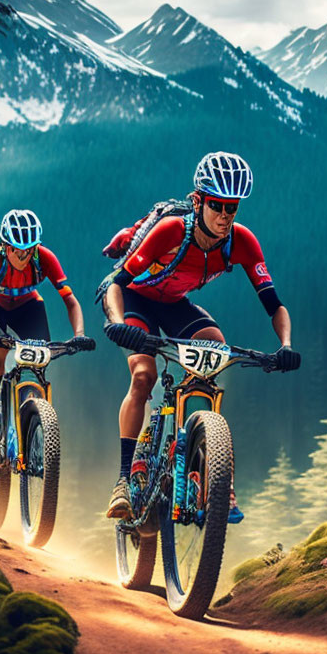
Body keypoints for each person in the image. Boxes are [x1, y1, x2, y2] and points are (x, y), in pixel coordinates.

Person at [100, 152, 301, 520]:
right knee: (143, 376)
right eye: (217, 205)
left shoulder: (241, 242)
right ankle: (124, 478)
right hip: (134, 301)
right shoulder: (171, 232)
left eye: (232, 208)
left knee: (215, 353)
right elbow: (117, 283)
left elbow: (274, 304)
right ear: (198, 201)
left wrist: (285, 346)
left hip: (175, 303)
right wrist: (116, 322)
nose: (225, 215)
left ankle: (211, 476)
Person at [0, 210, 91, 472]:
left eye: (29, 250)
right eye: (16, 250)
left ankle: (36, 422)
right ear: (5, 246)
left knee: (41, 356)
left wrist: (79, 335)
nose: (22, 256)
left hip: (28, 306)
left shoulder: (45, 258)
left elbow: (70, 301)